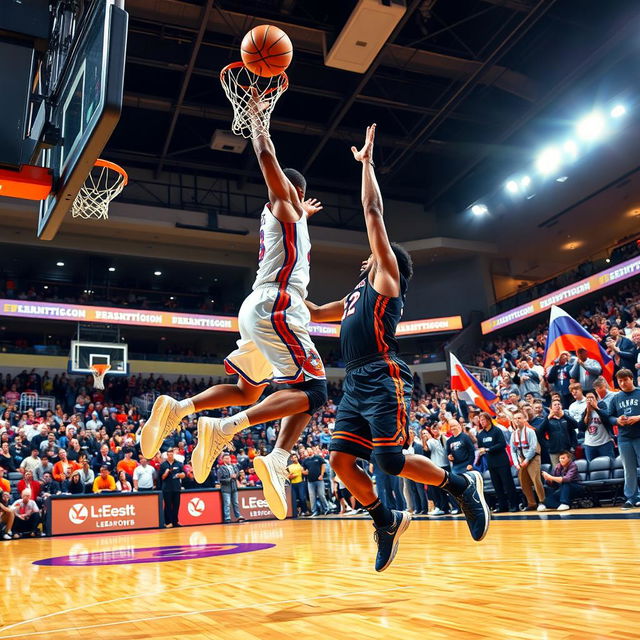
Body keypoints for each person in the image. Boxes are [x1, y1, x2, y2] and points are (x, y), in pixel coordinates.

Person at [306, 124, 489, 571]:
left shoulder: (387, 278)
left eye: (376, 250)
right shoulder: (351, 297)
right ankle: (385, 520)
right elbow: (310, 311)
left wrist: (367, 165)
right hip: (353, 381)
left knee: (388, 460)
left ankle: (460, 484)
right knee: (341, 463)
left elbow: (372, 211)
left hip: (382, 372)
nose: (368, 253)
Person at [140, 99, 328, 522]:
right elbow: (267, 159)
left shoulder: (294, 222)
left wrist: (306, 215)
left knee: (248, 390)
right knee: (314, 391)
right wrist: (258, 121)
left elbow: (309, 292)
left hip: (266, 305)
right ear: (295, 192)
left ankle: (180, 409)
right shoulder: (282, 204)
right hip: (275, 305)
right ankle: (231, 433)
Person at [607, 369, 640, 509]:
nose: (622, 383)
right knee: (629, 469)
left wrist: (638, 417)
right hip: (624, 438)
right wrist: (617, 421)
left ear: (631, 379)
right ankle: (632, 497)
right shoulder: (616, 397)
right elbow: (609, 417)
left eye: (625, 380)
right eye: (620, 381)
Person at [475, 412, 518, 513]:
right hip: (491, 463)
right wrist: (482, 451)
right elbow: (481, 447)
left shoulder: (497, 430)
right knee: (497, 486)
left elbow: (502, 444)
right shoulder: (480, 434)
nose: (482, 422)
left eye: (483, 420)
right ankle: (503, 506)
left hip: (502, 461)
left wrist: (488, 449)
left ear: (489, 420)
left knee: (508, 484)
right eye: (480, 420)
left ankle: (514, 505)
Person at [510, 410, 545, 510]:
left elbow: (533, 447)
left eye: (519, 418)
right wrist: (516, 463)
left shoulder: (530, 431)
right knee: (523, 481)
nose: (517, 420)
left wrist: (527, 460)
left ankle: (542, 501)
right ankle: (531, 503)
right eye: (515, 418)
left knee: (536, 479)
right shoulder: (513, 434)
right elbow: (513, 451)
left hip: (533, 457)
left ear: (524, 419)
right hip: (522, 459)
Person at [538, 400, 578, 467]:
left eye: (559, 404)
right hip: (554, 451)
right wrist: (548, 417)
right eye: (555, 405)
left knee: (570, 470)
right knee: (557, 471)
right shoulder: (547, 419)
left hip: (567, 449)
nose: (557, 406)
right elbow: (539, 431)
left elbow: (576, 425)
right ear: (551, 408)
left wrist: (564, 415)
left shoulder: (566, 417)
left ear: (561, 406)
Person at [580, 392, 615, 461]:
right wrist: (587, 412)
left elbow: (607, 418)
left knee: (610, 464)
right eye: (587, 398)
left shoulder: (602, 407)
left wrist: (596, 407)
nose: (590, 400)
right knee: (592, 467)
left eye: (592, 397)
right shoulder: (584, 412)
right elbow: (581, 428)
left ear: (596, 399)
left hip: (605, 443)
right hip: (590, 445)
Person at [159, 449, 185, 527]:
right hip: (167, 488)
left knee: (176, 505)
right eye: (169, 454)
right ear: (167, 455)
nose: (170, 456)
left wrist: (181, 475)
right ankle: (168, 522)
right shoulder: (163, 465)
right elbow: (162, 478)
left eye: (172, 454)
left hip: (176, 488)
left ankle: (175, 522)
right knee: (168, 506)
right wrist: (166, 472)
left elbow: (183, 474)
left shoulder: (179, 464)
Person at [301, 449, 330, 516]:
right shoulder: (305, 460)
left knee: (321, 495)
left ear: (312, 450)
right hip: (310, 481)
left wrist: (322, 475)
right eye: (307, 451)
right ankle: (314, 512)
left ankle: (326, 509)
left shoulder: (318, 457)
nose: (309, 451)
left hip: (319, 480)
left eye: (310, 450)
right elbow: (302, 470)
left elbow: (323, 465)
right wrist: (304, 472)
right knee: (312, 497)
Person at [218, 454, 244, 523]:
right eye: (226, 458)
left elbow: (238, 473)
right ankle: (227, 518)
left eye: (229, 458)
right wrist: (230, 478)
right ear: (223, 460)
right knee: (227, 504)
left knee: (236, 503)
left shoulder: (234, 466)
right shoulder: (221, 468)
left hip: (234, 487)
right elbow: (220, 479)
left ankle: (238, 516)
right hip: (226, 488)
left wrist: (236, 475)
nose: (228, 460)